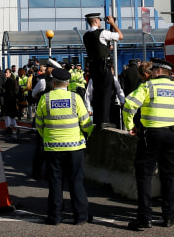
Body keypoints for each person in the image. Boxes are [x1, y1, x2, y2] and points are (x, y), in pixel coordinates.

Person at [122, 58, 174, 230]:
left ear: (157, 71)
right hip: (172, 134)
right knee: (169, 176)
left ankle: (144, 217)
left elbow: (129, 105)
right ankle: (169, 216)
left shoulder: (148, 86)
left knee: (144, 175)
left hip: (151, 135)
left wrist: (131, 126)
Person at [36, 68, 93, 225]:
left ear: (54, 83)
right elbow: (86, 123)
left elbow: (39, 124)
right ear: (68, 83)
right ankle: (80, 216)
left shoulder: (45, 99)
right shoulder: (75, 98)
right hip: (75, 147)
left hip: (52, 148)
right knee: (76, 182)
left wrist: (47, 137)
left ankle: (55, 216)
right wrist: (88, 133)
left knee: (55, 182)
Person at [83, 13, 123, 128]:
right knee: (106, 92)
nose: (100, 22)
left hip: (93, 66)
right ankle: (104, 121)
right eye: (99, 21)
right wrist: (113, 24)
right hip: (103, 66)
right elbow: (120, 36)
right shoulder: (102, 33)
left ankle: (97, 119)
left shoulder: (86, 35)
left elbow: (98, 47)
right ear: (96, 21)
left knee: (97, 93)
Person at [30, 58, 62, 180]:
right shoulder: (60, 83)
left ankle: (37, 172)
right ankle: (50, 173)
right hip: (56, 118)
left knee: (41, 147)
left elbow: (34, 94)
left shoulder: (43, 82)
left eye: (48, 68)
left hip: (44, 117)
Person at [2, 68, 20, 135]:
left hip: (9, 100)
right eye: (5, 72)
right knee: (11, 115)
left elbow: (9, 91)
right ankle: (16, 127)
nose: (6, 74)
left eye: (7, 72)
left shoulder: (9, 81)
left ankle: (9, 127)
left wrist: (3, 90)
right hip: (12, 100)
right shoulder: (11, 80)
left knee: (7, 114)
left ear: (10, 73)